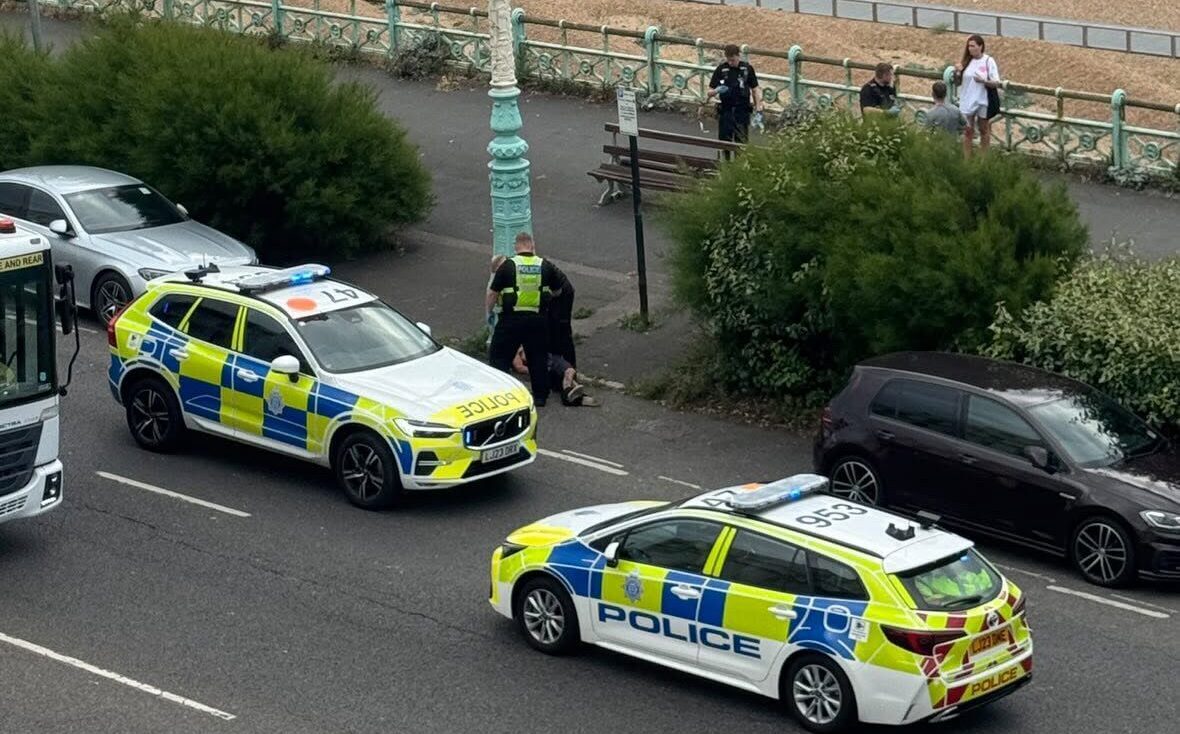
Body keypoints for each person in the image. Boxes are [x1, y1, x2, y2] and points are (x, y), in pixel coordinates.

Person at [486, 232, 563, 405]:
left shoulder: (507, 266)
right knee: (538, 358)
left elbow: (492, 293)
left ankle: (502, 395)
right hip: (537, 320)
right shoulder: (545, 265)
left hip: (511, 320)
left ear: (516, 246)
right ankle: (541, 397)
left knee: (500, 357)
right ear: (532, 245)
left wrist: (489, 313)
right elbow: (558, 291)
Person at [954, 34, 1001, 157]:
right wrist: (958, 72)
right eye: (969, 46)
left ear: (980, 46)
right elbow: (957, 83)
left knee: (983, 129)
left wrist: (984, 81)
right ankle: (967, 159)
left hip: (982, 100)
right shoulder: (966, 62)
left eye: (973, 46)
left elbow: (996, 82)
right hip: (967, 100)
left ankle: (983, 159)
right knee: (968, 131)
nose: (970, 49)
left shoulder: (988, 61)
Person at [706, 44, 763, 144]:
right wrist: (717, 91)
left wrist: (758, 108)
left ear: (738, 56)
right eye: (728, 60)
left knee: (741, 142)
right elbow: (709, 92)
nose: (730, 63)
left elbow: (755, 89)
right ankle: (724, 159)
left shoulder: (747, 69)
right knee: (724, 142)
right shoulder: (721, 69)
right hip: (726, 110)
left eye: (733, 60)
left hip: (742, 110)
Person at [513, 348, 599, 407]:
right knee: (558, 377)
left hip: (550, 358)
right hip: (541, 367)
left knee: (570, 370)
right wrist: (538, 372)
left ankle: (570, 390)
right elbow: (519, 367)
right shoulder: (516, 346)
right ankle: (575, 395)